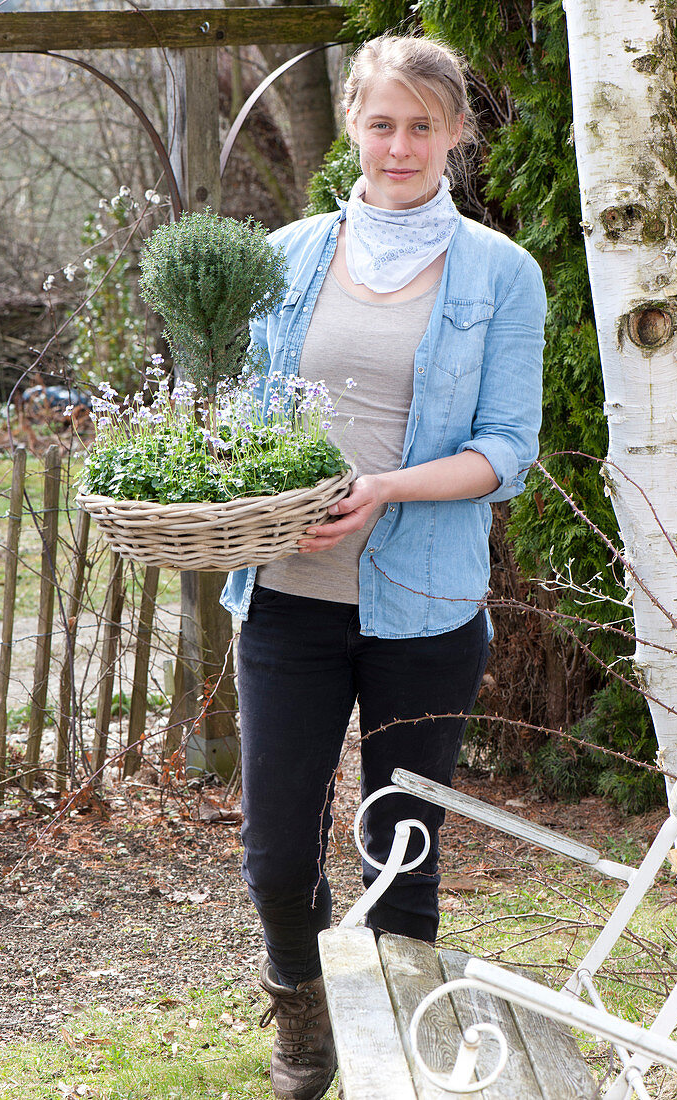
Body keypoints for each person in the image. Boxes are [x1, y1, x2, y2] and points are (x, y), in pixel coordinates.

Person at [220, 33, 547, 1100]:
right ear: (355, 126)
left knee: (400, 848)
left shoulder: (502, 274)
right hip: (287, 596)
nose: (398, 145)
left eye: (422, 125)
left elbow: (507, 448)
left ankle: (402, 1045)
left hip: (426, 603)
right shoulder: (290, 252)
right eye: (380, 122)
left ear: (455, 133)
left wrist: (389, 489)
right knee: (276, 854)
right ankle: (303, 1015)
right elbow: (245, 417)